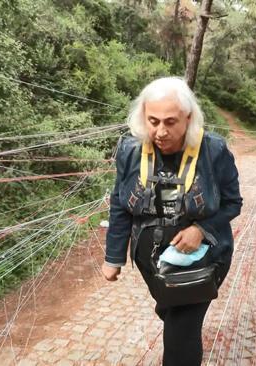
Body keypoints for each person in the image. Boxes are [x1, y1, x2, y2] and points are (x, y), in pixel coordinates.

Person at [102, 77, 243, 366]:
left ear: (188, 119)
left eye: (170, 122)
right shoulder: (130, 150)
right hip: (151, 259)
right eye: (153, 121)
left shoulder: (213, 151)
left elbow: (233, 203)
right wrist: (113, 256)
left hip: (201, 259)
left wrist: (201, 230)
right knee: (170, 312)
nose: (160, 132)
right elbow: (120, 204)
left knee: (182, 330)